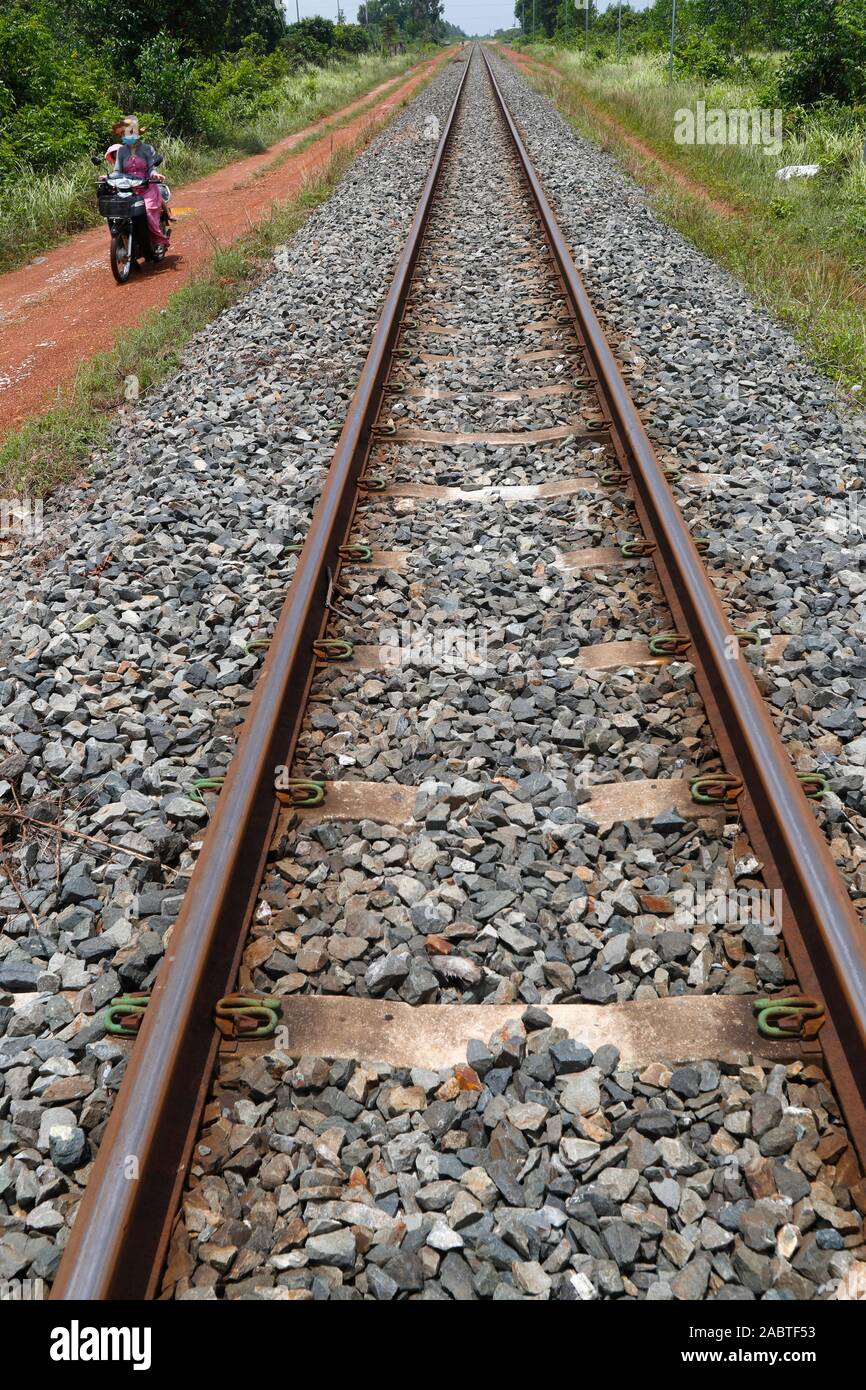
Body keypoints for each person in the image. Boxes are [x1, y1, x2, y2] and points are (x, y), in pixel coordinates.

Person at [113, 116, 170, 253]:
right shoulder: (121, 151)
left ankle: (158, 241)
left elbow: (151, 168)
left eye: (129, 132)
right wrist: (108, 177)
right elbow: (117, 171)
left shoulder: (147, 149)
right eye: (124, 133)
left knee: (148, 212)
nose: (126, 135)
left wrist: (155, 175)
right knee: (117, 214)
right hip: (128, 190)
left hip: (147, 187)